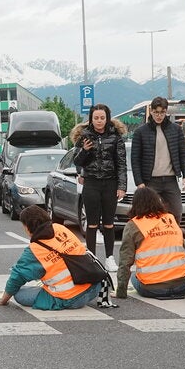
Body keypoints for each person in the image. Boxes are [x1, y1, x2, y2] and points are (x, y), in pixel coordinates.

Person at [0, 205, 101, 310]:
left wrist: (3, 301)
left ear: (28, 227)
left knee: (19, 294)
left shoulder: (34, 250)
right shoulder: (60, 228)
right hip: (93, 288)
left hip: (69, 298)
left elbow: (17, 277)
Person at [115, 186, 185, 299]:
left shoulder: (133, 225)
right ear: (157, 201)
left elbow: (125, 261)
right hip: (183, 285)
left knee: (135, 277)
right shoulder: (170, 218)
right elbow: (183, 247)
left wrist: (121, 292)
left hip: (151, 289)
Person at [71, 103, 127, 272]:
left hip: (110, 183)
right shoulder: (85, 136)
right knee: (92, 223)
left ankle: (109, 258)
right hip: (92, 183)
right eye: (96, 118)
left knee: (109, 224)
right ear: (91, 119)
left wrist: (121, 186)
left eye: (102, 118)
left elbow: (121, 163)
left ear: (107, 118)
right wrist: (85, 151)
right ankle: (91, 258)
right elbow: (77, 161)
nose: (99, 121)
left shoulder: (116, 137)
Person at [130, 96, 185, 227]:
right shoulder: (141, 132)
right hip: (150, 181)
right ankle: (150, 241)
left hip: (170, 179)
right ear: (151, 111)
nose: (159, 115)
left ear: (166, 112)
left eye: (162, 112)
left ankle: (172, 238)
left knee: (176, 211)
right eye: (156, 112)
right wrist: (139, 182)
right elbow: (135, 159)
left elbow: (183, 154)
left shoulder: (175, 129)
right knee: (148, 214)